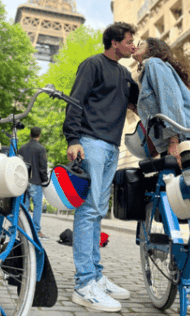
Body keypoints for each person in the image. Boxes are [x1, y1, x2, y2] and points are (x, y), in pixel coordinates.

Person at [62, 21, 139, 313]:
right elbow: (75, 101)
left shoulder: (124, 74)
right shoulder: (92, 64)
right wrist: (73, 138)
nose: (133, 45)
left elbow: (137, 102)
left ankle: (96, 276)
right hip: (90, 142)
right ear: (115, 42)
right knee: (89, 210)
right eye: (130, 41)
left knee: (97, 212)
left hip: (111, 146)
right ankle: (84, 285)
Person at [132, 38, 190, 168]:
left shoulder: (153, 63)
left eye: (141, 44)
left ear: (152, 49)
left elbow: (170, 101)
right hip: (179, 137)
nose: (136, 46)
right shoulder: (148, 71)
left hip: (185, 138)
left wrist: (174, 141)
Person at [18, 126, 48, 238]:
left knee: (23, 207)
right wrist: (45, 180)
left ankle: (22, 229)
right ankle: (36, 230)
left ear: (30, 134)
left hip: (23, 182)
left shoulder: (22, 148)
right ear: (39, 135)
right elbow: (42, 167)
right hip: (36, 181)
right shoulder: (41, 149)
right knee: (37, 206)